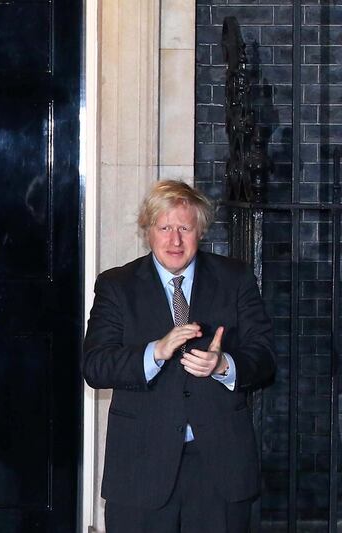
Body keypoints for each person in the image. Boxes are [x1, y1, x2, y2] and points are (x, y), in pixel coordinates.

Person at [82, 180, 275, 533]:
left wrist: (223, 365)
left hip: (220, 468)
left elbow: (264, 358)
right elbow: (95, 366)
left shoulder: (235, 278)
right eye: (165, 227)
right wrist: (155, 352)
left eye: (184, 228)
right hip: (141, 468)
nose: (175, 240)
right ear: (148, 231)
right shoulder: (116, 285)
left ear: (199, 232)